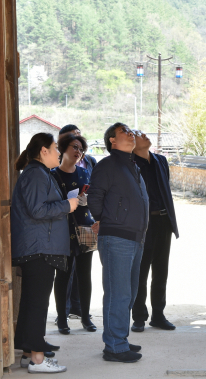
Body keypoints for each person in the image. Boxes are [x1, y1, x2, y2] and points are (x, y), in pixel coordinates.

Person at [11, 132, 79, 373]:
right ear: (43, 151)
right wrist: (67, 205)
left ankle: (29, 352)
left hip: (38, 246)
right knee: (37, 303)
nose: (59, 153)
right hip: (39, 247)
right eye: (54, 148)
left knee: (31, 302)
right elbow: (38, 210)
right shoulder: (36, 175)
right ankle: (38, 360)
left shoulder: (38, 173)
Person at [88, 123, 148, 363]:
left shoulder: (132, 165)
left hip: (135, 237)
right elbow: (94, 197)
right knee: (118, 293)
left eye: (131, 131)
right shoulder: (107, 165)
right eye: (124, 131)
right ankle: (114, 346)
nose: (131, 134)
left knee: (130, 292)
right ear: (112, 140)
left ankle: (119, 337)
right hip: (116, 237)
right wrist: (104, 219)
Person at [130, 130, 179, 332]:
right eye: (139, 134)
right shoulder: (129, 164)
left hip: (163, 221)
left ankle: (158, 315)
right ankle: (139, 317)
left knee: (161, 271)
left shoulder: (161, 160)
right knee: (140, 272)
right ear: (132, 143)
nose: (145, 135)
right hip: (143, 224)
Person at [51, 134, 100, 334]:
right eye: (74, 147)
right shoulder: (53, 175)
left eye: (81, 149)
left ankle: (86, 317)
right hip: (63, 231)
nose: (78, 151)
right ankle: (62, 318)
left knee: (84, 275)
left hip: (85, 228)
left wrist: (90, 203)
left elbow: (97, 198)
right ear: (63, 148)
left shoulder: (85, 173)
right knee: (62, 275)